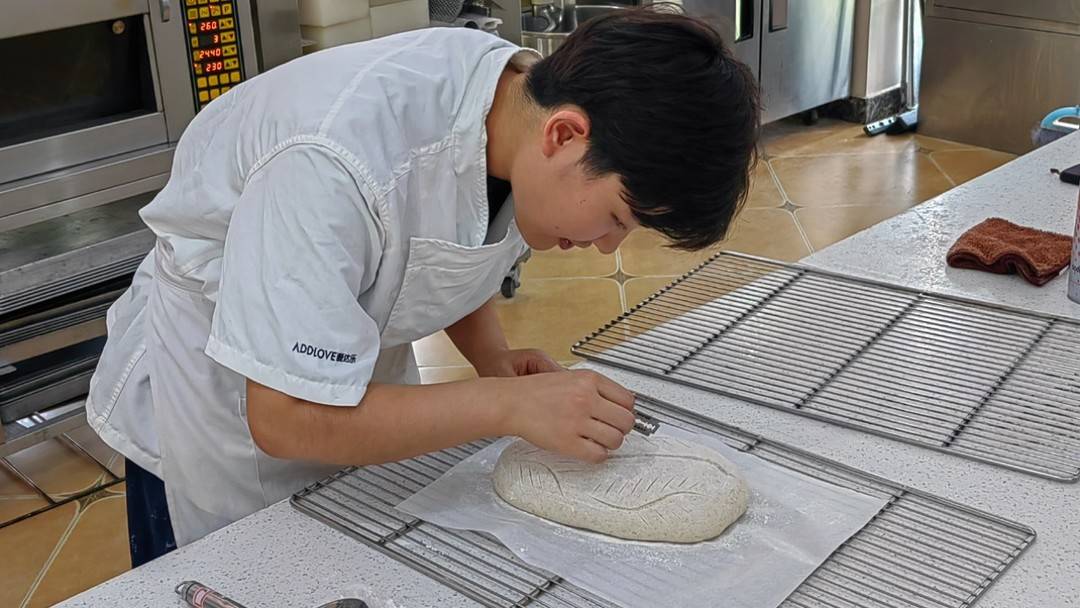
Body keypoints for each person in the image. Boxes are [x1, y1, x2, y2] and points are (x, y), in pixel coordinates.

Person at [85, 6, 760, 566]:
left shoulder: (513, 109)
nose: (609, 246)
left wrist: (493, 360)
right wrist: (506, 404)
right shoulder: (331, 165)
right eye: (616, 217)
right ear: (564, 135)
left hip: (350, 382)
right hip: (219, 411)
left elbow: (443, 236)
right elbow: (284, 418)